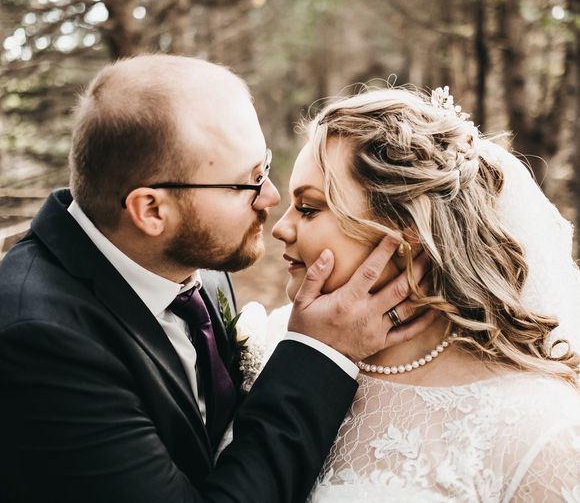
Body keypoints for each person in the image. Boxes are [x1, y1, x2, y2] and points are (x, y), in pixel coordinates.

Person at [0, 56, 435, 503]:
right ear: (151, 210)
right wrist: (320, 353)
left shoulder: (192, 260)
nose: (269, 196)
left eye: (264, 168)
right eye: (244, 183)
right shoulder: (40, 343)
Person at [270, 86, 580, 501]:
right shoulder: (276, 349)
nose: (281, 228)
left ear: (407, 233)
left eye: (309, 208)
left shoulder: (536, 431)